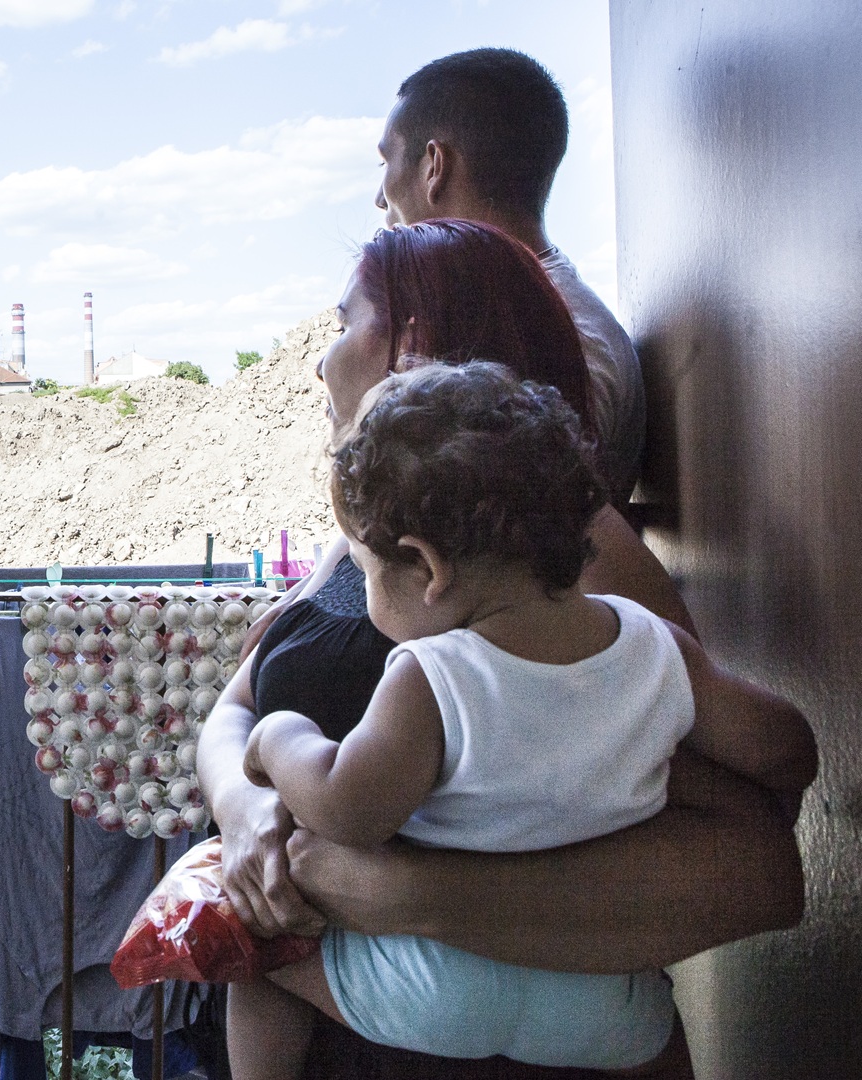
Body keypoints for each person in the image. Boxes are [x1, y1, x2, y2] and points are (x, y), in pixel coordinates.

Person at [195, 224, 816, 1079]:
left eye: (344, 321)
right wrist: (240, 806)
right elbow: (237, 707)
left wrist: (407, 896)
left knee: (254, 975)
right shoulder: (371, 538)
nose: (319, 360)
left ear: (409, 344)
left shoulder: (567, 556)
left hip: (449, 1021)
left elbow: (751, 864)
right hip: (434, 1017)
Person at [375, 48, 645, 501]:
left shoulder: (553, 342)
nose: (380, 200)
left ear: (434, 167)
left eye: (386, 163)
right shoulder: (518, 317)